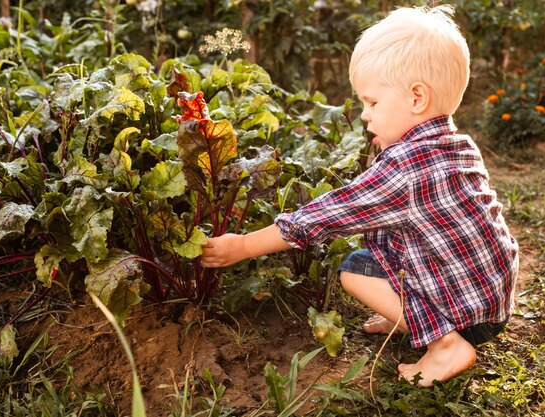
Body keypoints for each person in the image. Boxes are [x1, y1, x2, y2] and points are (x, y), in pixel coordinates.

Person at [201, 4, 519, 387]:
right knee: (380, 252)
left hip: (470, 316)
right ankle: (414, 317)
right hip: (492, 298)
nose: (365, 115)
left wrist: (244, 246)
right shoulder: (458, 143)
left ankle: (447, 343)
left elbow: (325, 216)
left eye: (372, 103)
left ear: (417, 98)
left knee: (355, 269)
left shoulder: (404, 166)